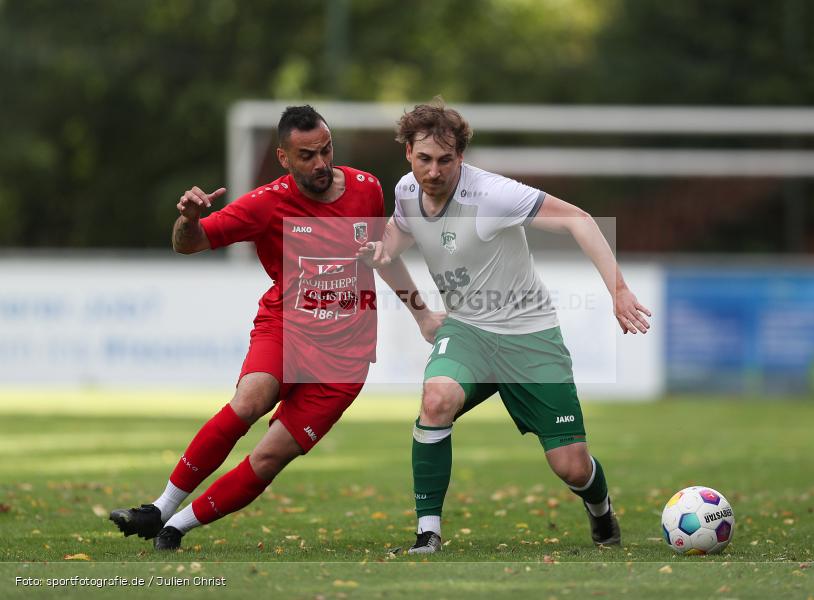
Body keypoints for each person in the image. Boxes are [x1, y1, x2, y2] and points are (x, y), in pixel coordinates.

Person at [110, 105, 440, 550]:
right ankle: (160, 506)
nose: (321, 163)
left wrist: (421, 314)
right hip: (286, 331)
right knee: (250, 401)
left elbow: (384, 257)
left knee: (268, 457)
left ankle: (174, 527)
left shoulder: (365, 189)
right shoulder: (266, 203)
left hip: (346, 357)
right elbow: (189, 244)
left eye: (326, 150)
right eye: (307, 155)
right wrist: (188, 219)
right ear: (284, 158)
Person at [358, 101, 652, 554]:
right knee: (436, 400)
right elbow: (392, 246)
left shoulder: (492, 195)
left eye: (445, 160)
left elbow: (579, 219)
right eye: (423, 159)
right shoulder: (405, 192)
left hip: (530, 336)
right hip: (469, 331)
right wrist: (420, 312)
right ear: (408, 154)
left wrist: (619, 290)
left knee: (572, 467)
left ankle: (601, 510)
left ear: (461, 156)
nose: (433, 171)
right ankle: (428, 533)